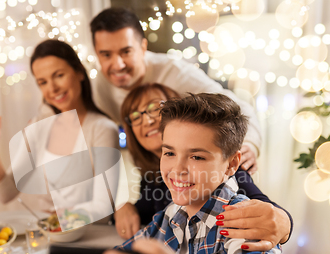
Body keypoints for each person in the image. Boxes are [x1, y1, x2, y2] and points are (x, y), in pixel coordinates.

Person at [38, 93, 288, 254]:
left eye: (197, 157)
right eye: (169, 153)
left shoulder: (242, 222)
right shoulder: (170, 215)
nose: (177, 170)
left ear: (232, 164)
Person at [115, 83, 292, 251]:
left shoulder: (221, 168)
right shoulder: (152, 174)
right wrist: (125, 207)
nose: (147, 120)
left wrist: (285, 222)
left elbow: (268, 211)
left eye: (154, 108)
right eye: (136, 117)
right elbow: (148, 216)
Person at [90, 8, 260, 174]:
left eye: (126, 52)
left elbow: (238, 107)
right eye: (106, 55)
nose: (118, 65)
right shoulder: (99, 88)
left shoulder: (176, 72)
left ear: (143, 47)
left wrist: (249, 145)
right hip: (151, 173)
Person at [0, 40, 119, 217]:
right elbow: (6, 194)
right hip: (49, 236)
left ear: (79, 72)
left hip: (89, 239)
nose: (52, 88)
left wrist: (55, 223)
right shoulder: (39, 127)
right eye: (42, 82)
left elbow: (104, 205)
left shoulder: (103, 129)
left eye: (58, 75)